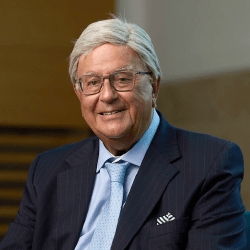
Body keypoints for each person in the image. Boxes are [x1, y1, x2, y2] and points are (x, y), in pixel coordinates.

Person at [0, 17, 247, 250]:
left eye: (122, 79)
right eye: (93, 82)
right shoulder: (46, 169)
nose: (107, 96)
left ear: (154, 86)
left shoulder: (210, 163)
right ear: (79, 93)